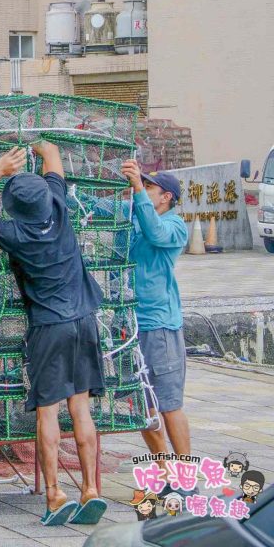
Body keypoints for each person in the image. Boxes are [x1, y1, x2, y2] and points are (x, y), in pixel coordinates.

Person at [0, 141, 107, 526]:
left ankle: (56, 495)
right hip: (85, 320)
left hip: (50, 326)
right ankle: (91, 489)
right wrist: (37, 145)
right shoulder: (58, 204)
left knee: (47, 410)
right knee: (80, 407)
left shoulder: (14, 233)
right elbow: (53, 153)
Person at [120, 161, 192, 475]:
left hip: (159, 325)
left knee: (168, 403)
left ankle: (186, 472)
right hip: (130, 324)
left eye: (150, 188)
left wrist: (137, 189)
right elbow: (103, 206)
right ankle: (164, 470)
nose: (144, 191)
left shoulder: (175, 226)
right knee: (140, 403)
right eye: (144, 185)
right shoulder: (137, 213)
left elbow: (155, 231)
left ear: (166, 197)